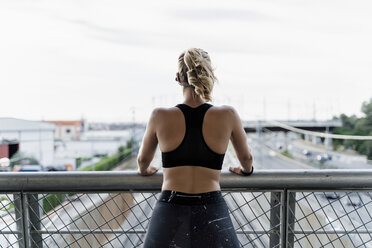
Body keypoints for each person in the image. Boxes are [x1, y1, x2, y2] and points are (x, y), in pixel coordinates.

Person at [137, 48, 253, 248]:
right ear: (208, 76)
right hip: (211, 206)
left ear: (177, 77)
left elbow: (142, 161)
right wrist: (244, 170)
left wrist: (146, 171)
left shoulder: (160, 115)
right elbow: (247, 159)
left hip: (171, 205)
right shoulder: (227, 114)